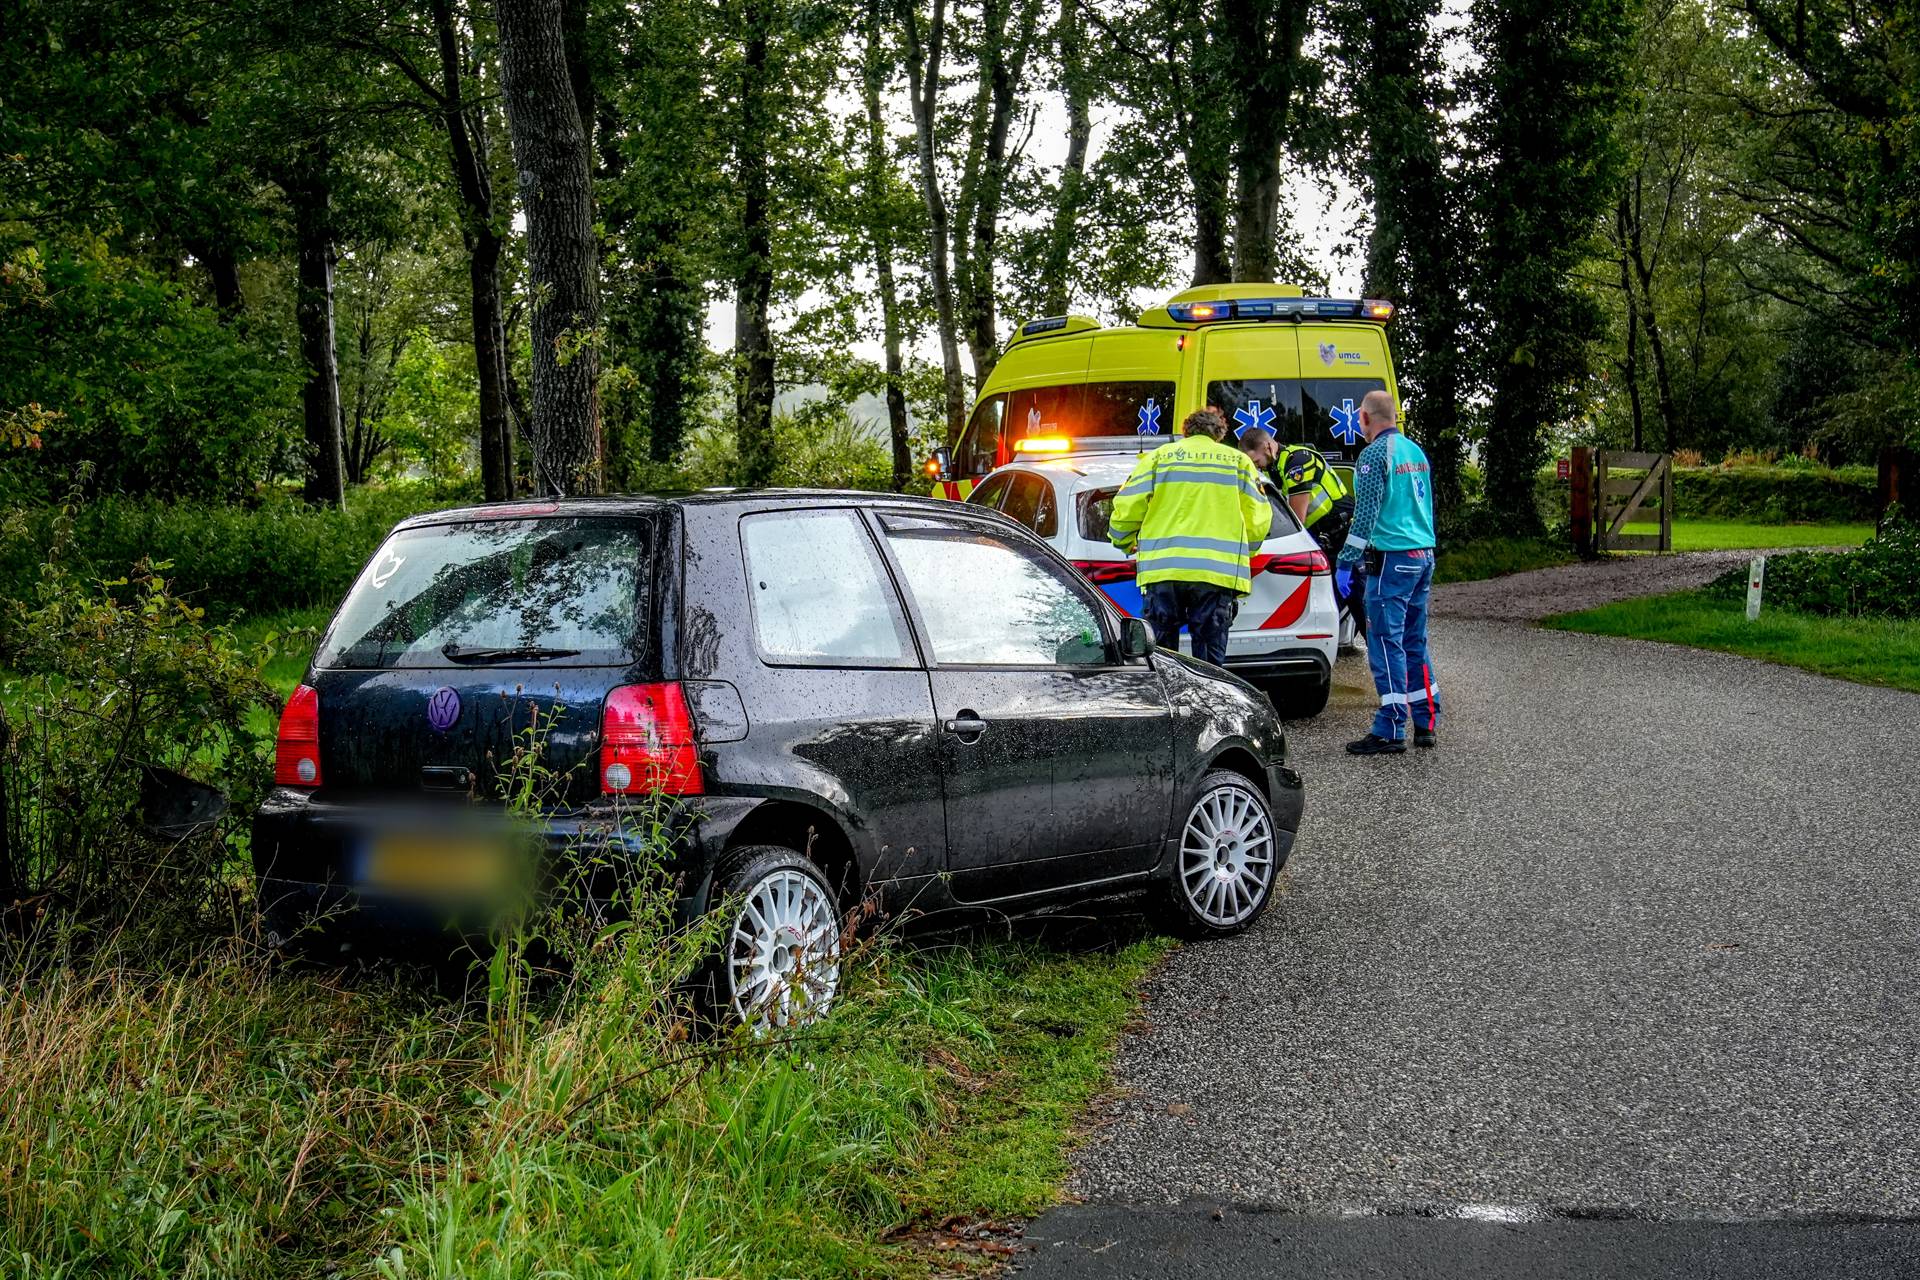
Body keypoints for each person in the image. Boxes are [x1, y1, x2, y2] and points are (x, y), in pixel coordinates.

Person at [1109, 407, 1272, 666]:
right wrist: (1245, 551)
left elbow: (1128, 505)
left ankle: (1168, 702)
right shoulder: (1238, 462)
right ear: (1219, 433)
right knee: (1209, 660)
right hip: (1216, 574)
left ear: (1186, 431)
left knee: (1160, 655)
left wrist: (1123, 540)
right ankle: (1207, 704)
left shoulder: (1158, 458)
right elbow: (1259, 517)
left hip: (1164, 572)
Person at [1336, 390, 1440, 755]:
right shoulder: (1415, 452)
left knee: (1384, 641)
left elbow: (1365, 514)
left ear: (1365, 418)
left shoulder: (1374, 455)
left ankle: (1391, 726)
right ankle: (1425, 721)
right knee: (1414, 640)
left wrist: (1346, 559)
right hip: (1422, 554)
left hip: (1392, 559)